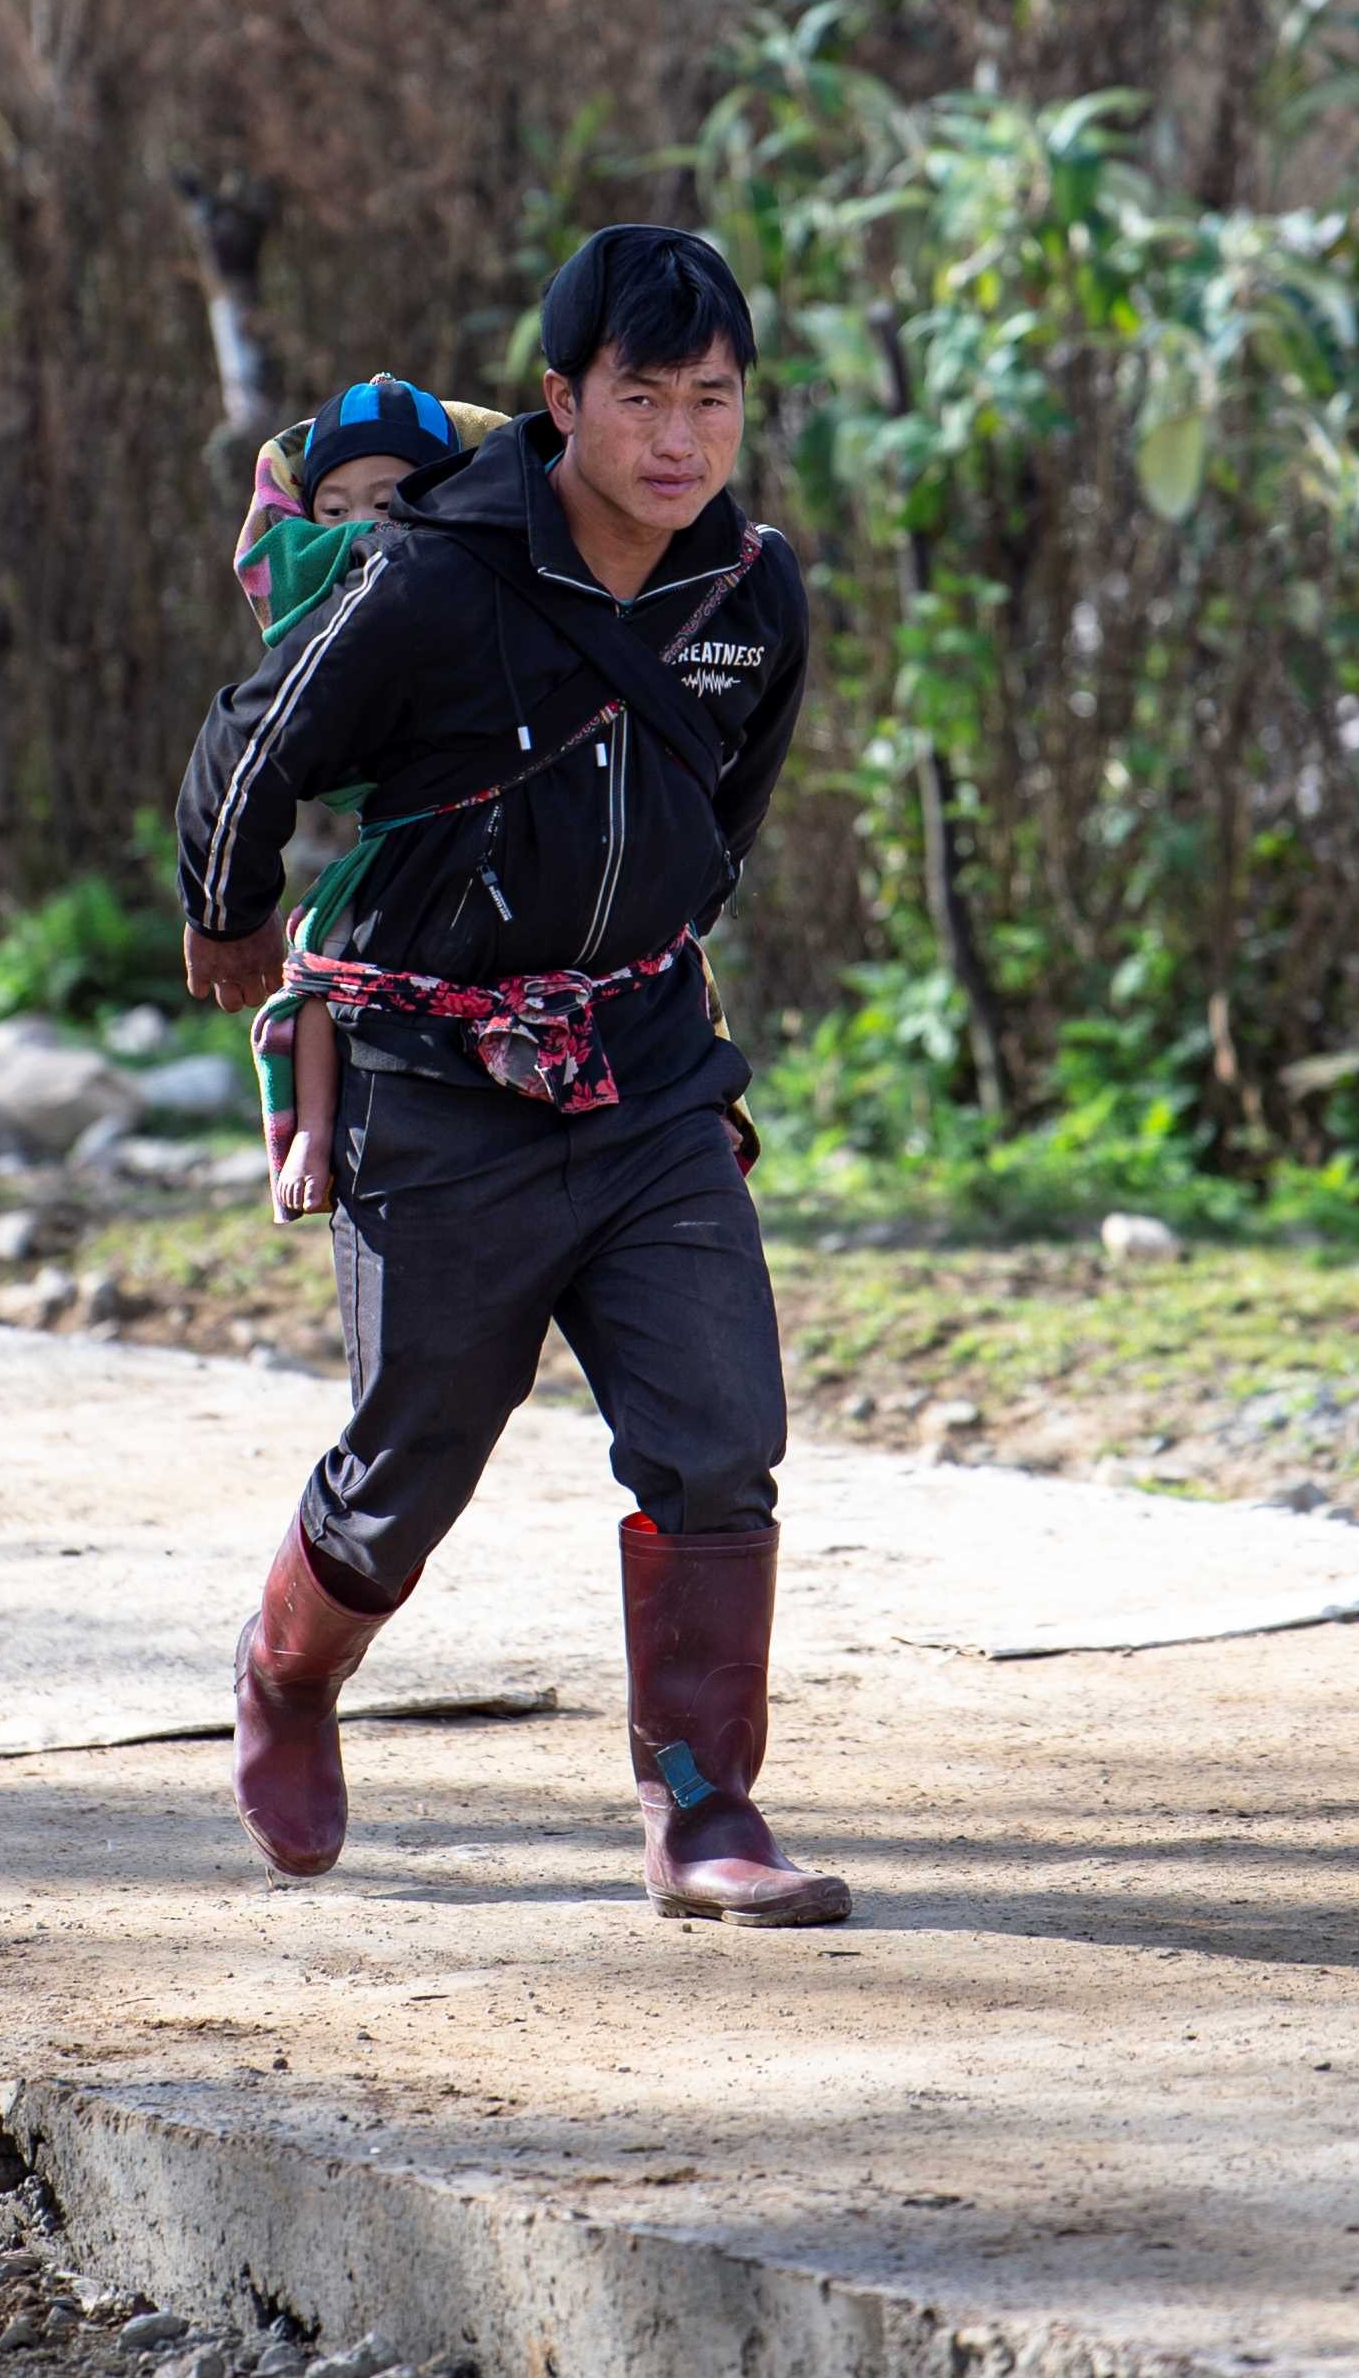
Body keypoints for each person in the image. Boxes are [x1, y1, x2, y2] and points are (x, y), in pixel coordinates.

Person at [173, 224, 839, 1924]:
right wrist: (229, 916)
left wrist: (624, 962)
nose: (680, 440)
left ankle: (702, 1813)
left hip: (642, 1077)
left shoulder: (747, 599)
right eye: (641, 397)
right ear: (559, 402)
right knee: (411, 1459)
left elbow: (716, 822)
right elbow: (257, 739)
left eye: (713, 399)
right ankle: (288, 1671)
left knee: (716, 1438)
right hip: (431, 1082)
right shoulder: (429, 580)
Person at [224, 375, 507, 1219]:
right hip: (398, 831)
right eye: (334, 510)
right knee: (320, 958)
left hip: (503, 819)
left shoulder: (492, 577)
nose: (359, 531)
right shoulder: (323, 613)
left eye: (386, 504)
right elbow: (258, 742)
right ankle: (313, 1128)